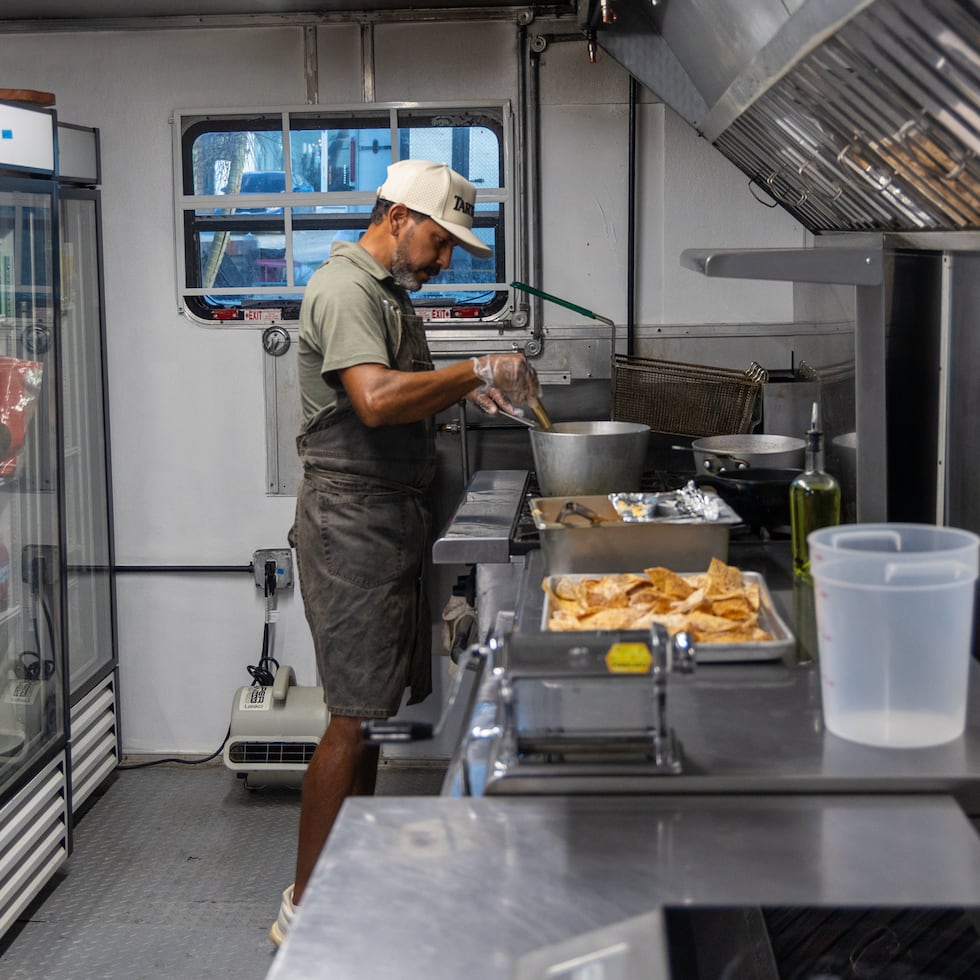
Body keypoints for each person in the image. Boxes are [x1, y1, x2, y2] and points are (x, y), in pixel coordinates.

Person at [269, 159, 539, 947]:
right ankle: (305, 909)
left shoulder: (384, 293)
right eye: (438, 240)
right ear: (396, 218)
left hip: (385, 519)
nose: (444, 259)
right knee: (350, 721)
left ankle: (345, 882)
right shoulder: (347, 289)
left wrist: (465, 388)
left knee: (372, 713)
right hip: (352, 524)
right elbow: (376, 402)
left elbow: (401, 386)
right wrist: (475, 369)